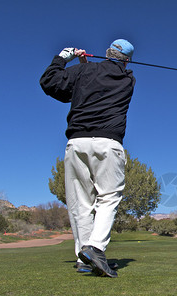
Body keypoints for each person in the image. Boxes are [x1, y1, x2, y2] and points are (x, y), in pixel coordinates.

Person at [40, 39, 136, 278]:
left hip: (77, 142)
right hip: (108, 143)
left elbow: (51, 83)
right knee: (108, 197)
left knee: (81, 203)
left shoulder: (84, 71)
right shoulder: (128, 79)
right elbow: (99, 79)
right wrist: (84, 67)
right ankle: (95, 248)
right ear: (127, 60)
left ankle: (83, 259)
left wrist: (64, 57)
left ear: (107, 53)